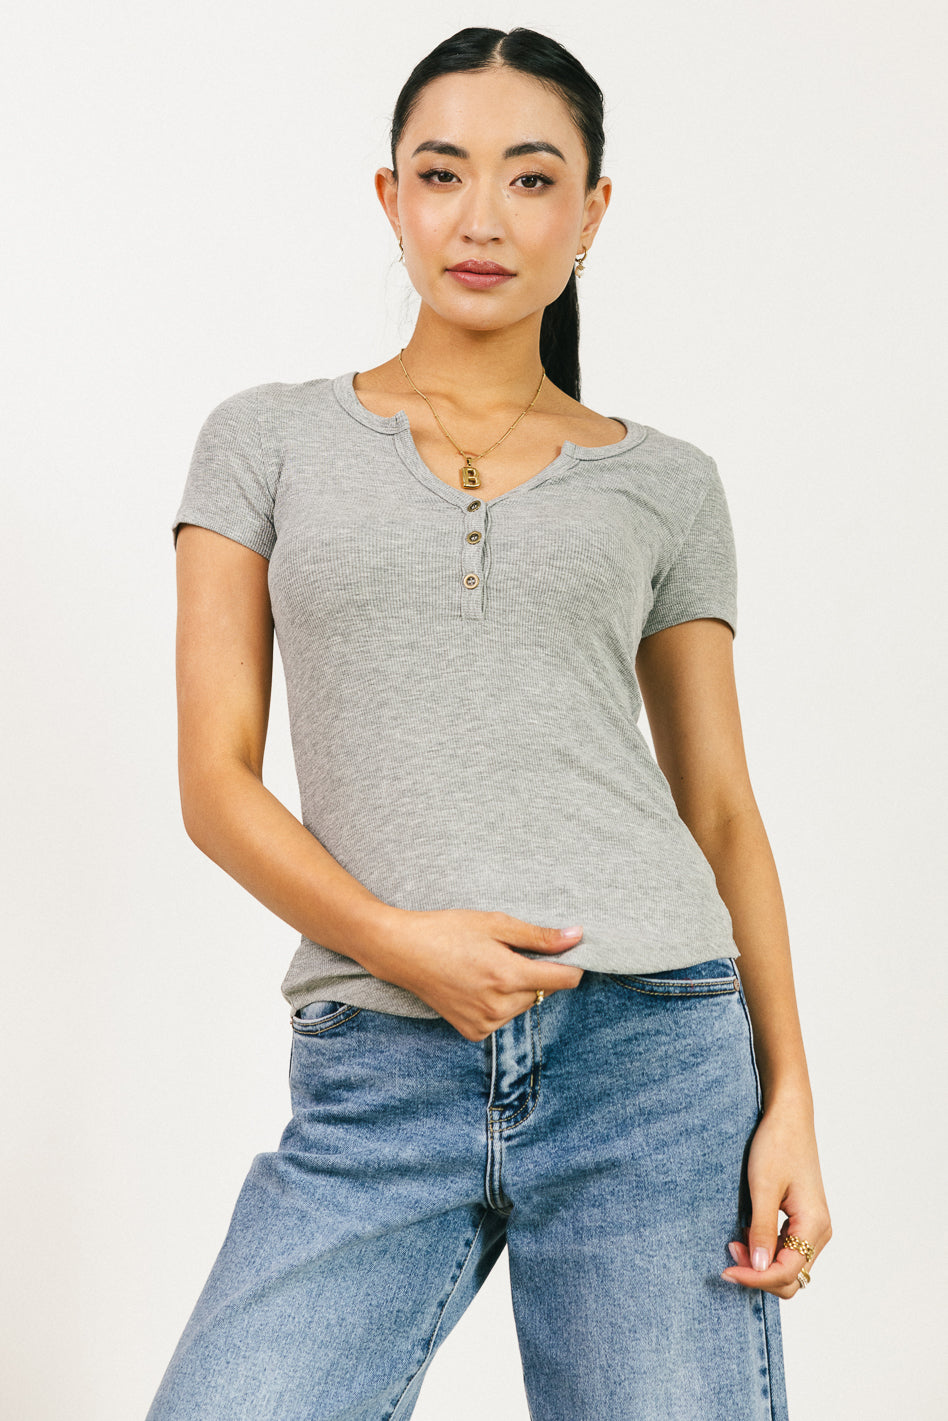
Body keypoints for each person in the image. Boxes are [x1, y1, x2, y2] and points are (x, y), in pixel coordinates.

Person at [147, 25, 831, 1421]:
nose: (481, 218)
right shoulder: (263, 442)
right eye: (442, 172)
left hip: (653, 1054)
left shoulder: (667, 483)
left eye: (530, 178)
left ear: (592, 211)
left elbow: (718, 806)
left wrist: (791, 1099)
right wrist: (398, 943)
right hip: (379, 1059)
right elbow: (215, 781)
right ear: (390, 196)